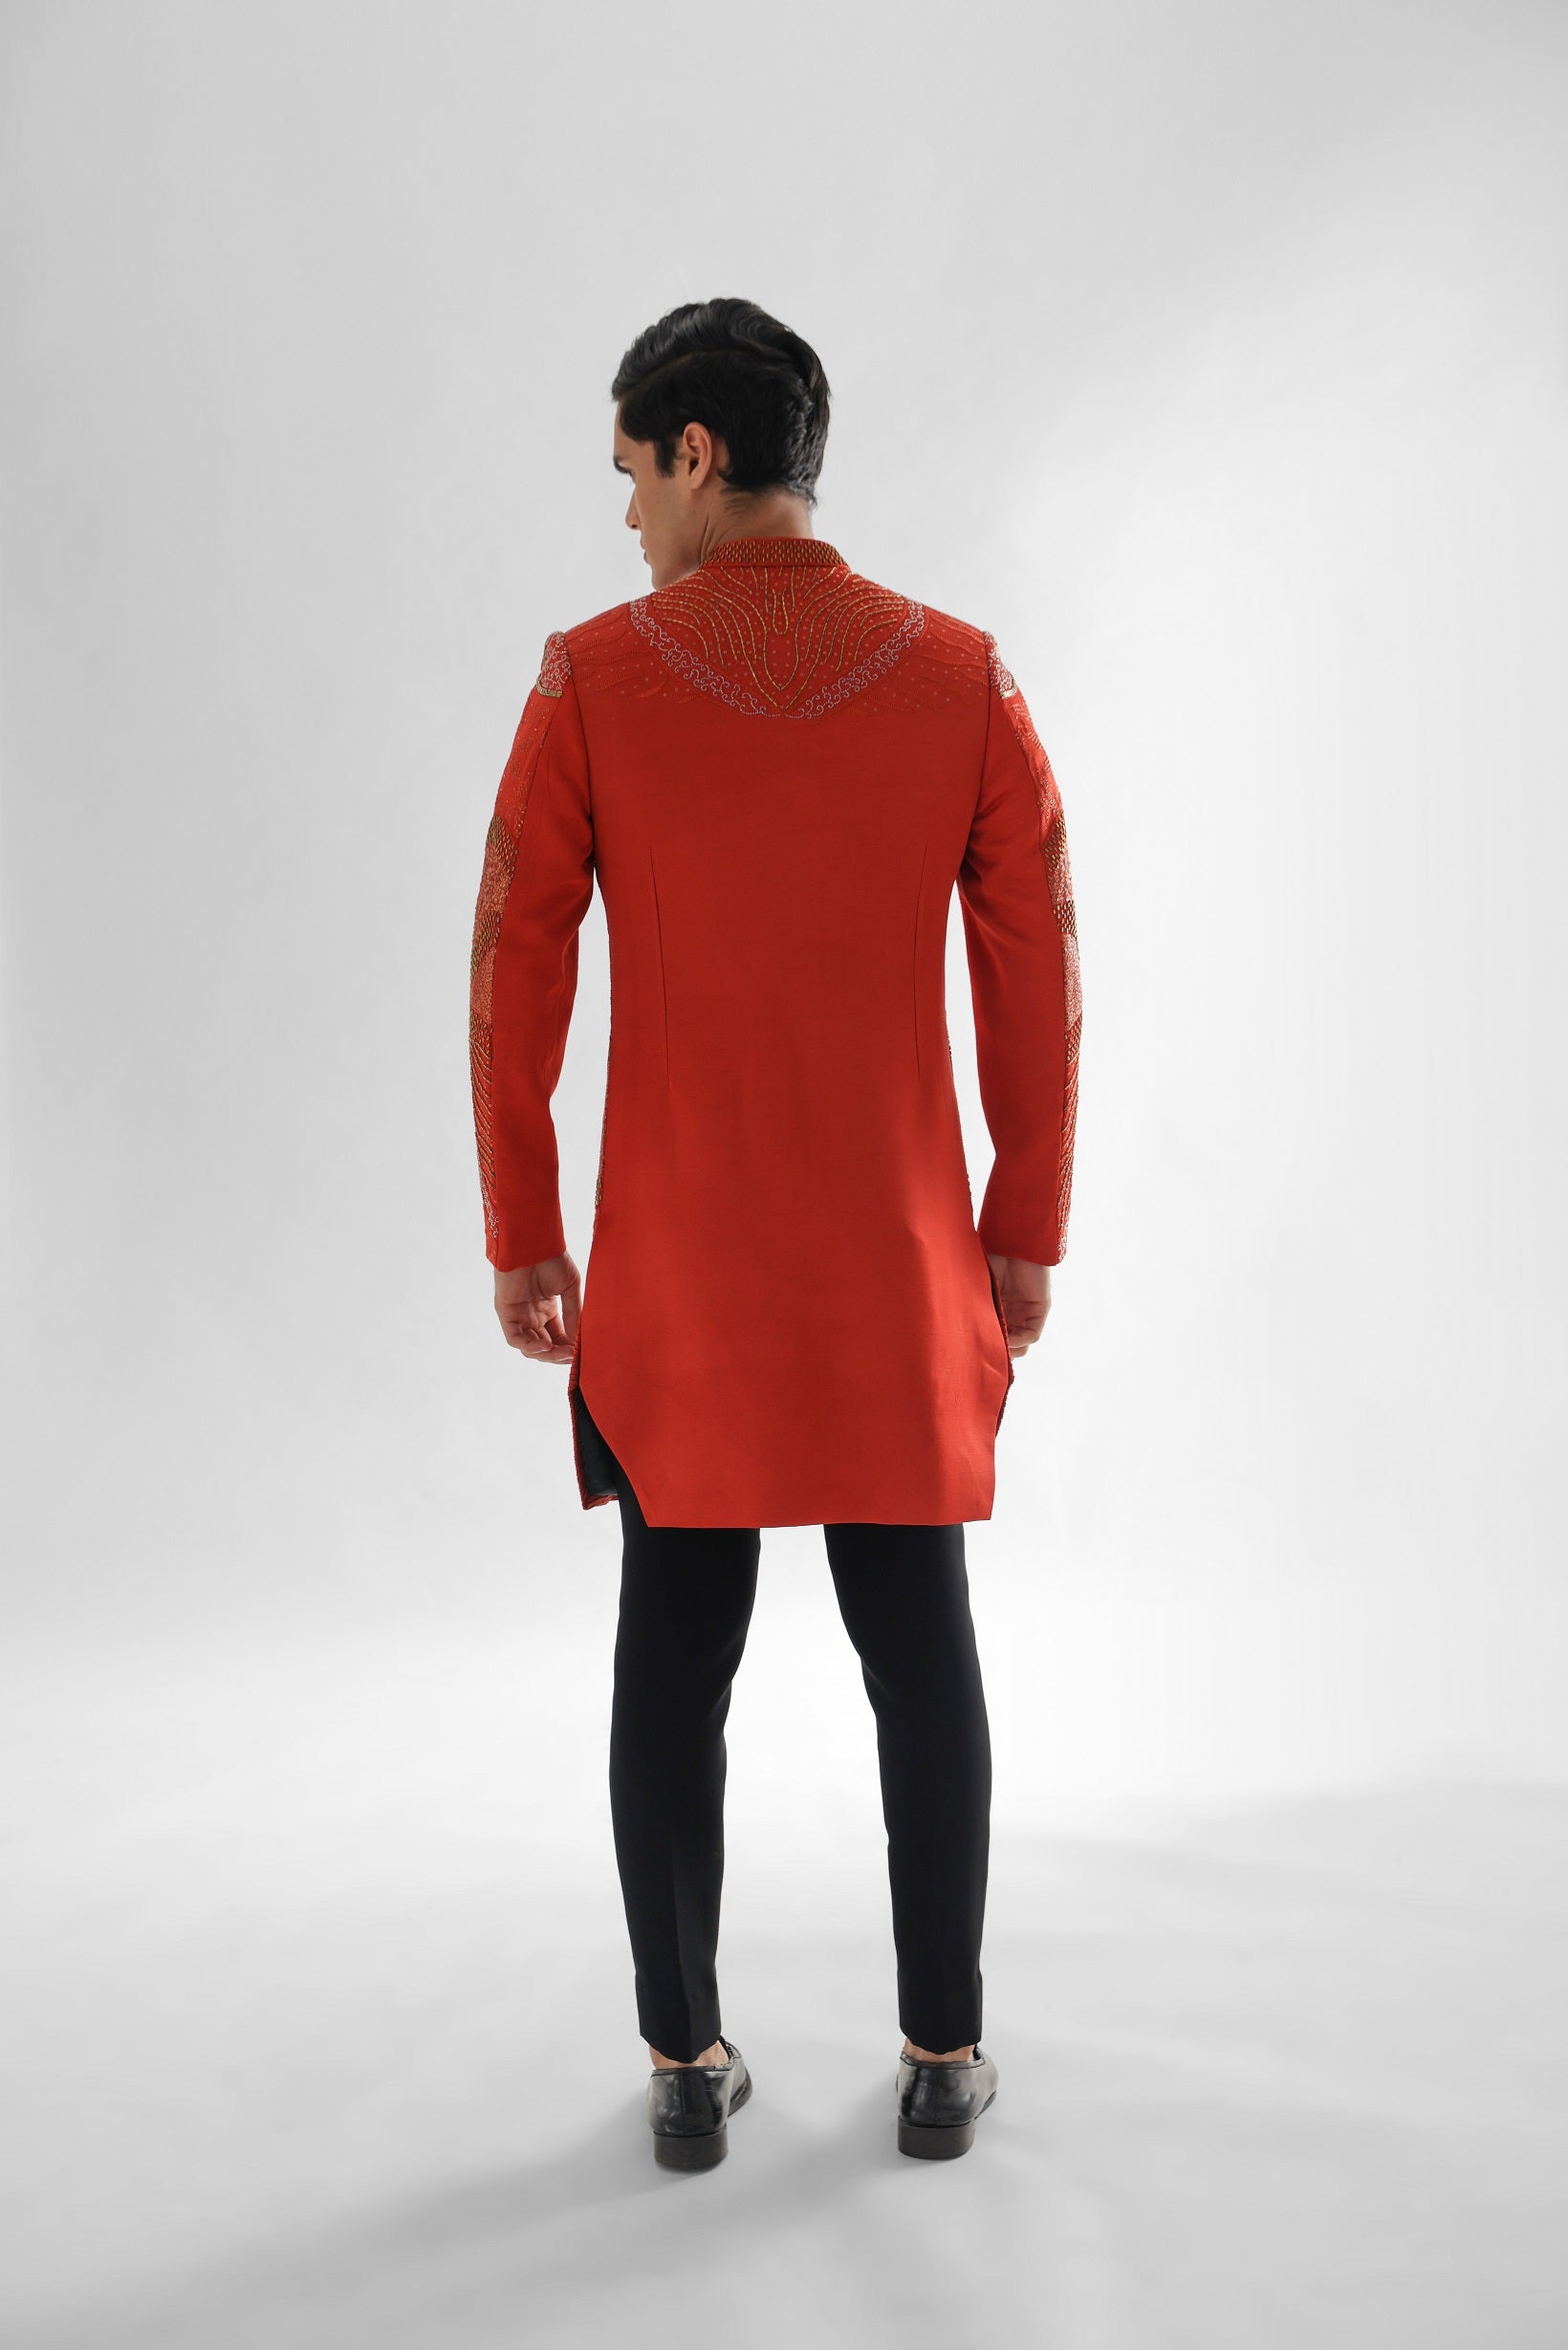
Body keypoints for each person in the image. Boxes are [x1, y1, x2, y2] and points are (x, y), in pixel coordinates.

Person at [468, 297, 1081, 2167]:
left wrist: (525, 1227)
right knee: (921, 1651)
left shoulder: (591, 681)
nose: (627, 518)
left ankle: (685, 2063)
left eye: (631, 476)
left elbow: (512, 962)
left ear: (697, 453)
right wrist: (1023, 1224)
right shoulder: (963, 679)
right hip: (894, 1270)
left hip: (682, 1281)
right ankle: (945, 2052)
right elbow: (1040, 971)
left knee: (673, 1659)